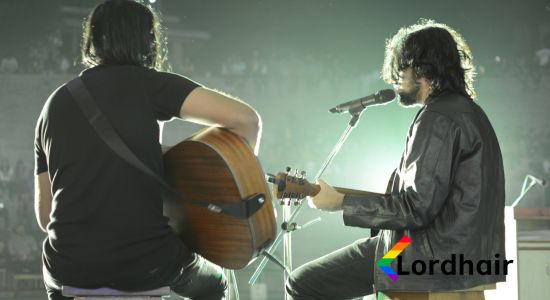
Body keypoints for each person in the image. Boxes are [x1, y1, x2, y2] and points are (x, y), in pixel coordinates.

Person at [34, 1, 262, 299]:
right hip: (146, 263)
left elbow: (44, 217)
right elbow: (245, 121)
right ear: (148, 41)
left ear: (93, 39)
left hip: (66, 268)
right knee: (216, 283)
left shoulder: (53, 105)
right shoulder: (150, 85)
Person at [286, 19, 506, 299]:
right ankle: (385, 281)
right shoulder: (469, 112)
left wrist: (341, 202)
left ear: (421, 68)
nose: (394, 79)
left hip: (426, 260)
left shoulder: (438, 117)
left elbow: (417, 207)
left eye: (400, 69)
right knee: (377, 279)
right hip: (459, 258)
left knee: (303, 283)